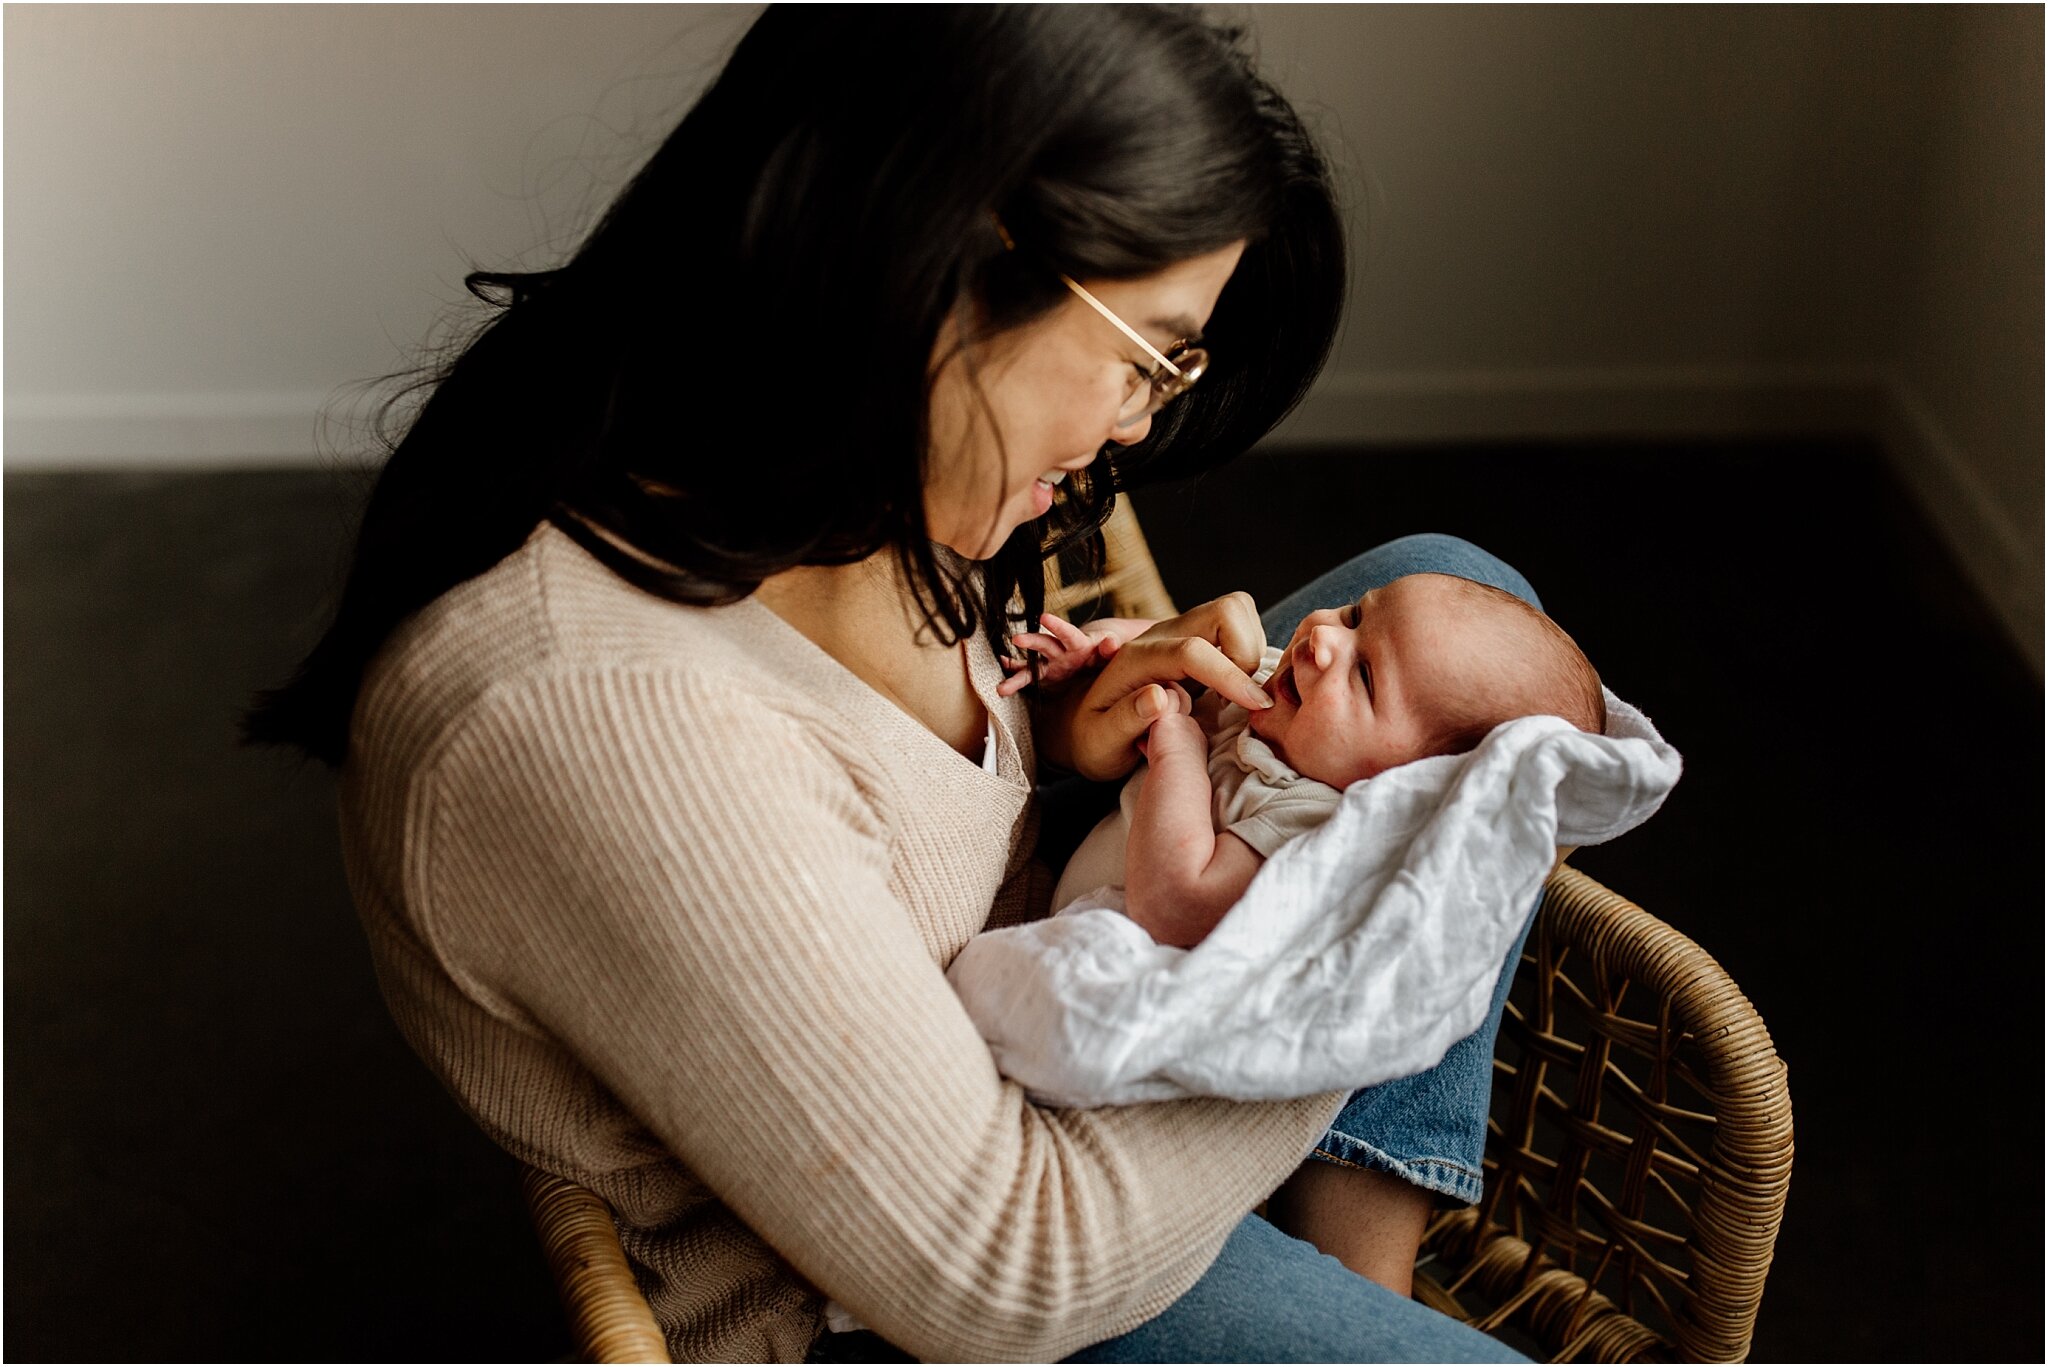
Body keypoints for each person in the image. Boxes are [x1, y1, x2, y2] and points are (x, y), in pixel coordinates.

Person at [244, 8, 1530, 1361]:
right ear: (947, 261)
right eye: (1149, 353)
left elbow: (869, 787)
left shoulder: (844, 474)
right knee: (1445, 787)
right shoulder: (581, 707)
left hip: (1061, 1005)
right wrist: (1377, 954)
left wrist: (1071, 737)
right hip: (893, 1294)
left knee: (1452, 585)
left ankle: (1355, 1279)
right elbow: (1006, 1274)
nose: (1144, 423)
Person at [1018, 573, 1604, 948]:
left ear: (1415, 787)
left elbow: (1177, 905)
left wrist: (1178, 747)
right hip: (1042, 879)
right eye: (1355, 614)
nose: (1325, 638)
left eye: (1366, 676)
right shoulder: (1281, 685)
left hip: (1093, 959)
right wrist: (1099, 653)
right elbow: (1165, 651)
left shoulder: (1311, 824)